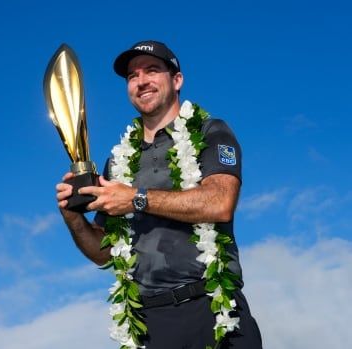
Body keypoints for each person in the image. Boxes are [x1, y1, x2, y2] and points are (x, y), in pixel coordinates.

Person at [55, 40, 262, 348]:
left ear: (176, 80)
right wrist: (73, 217)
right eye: (132, 76)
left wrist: (136, 198)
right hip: (150, 325)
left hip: (214, 310)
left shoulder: (210, 132)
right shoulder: (119, 161)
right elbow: (105, 253)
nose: (141, 81)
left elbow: (220, 203)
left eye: (152, 70)